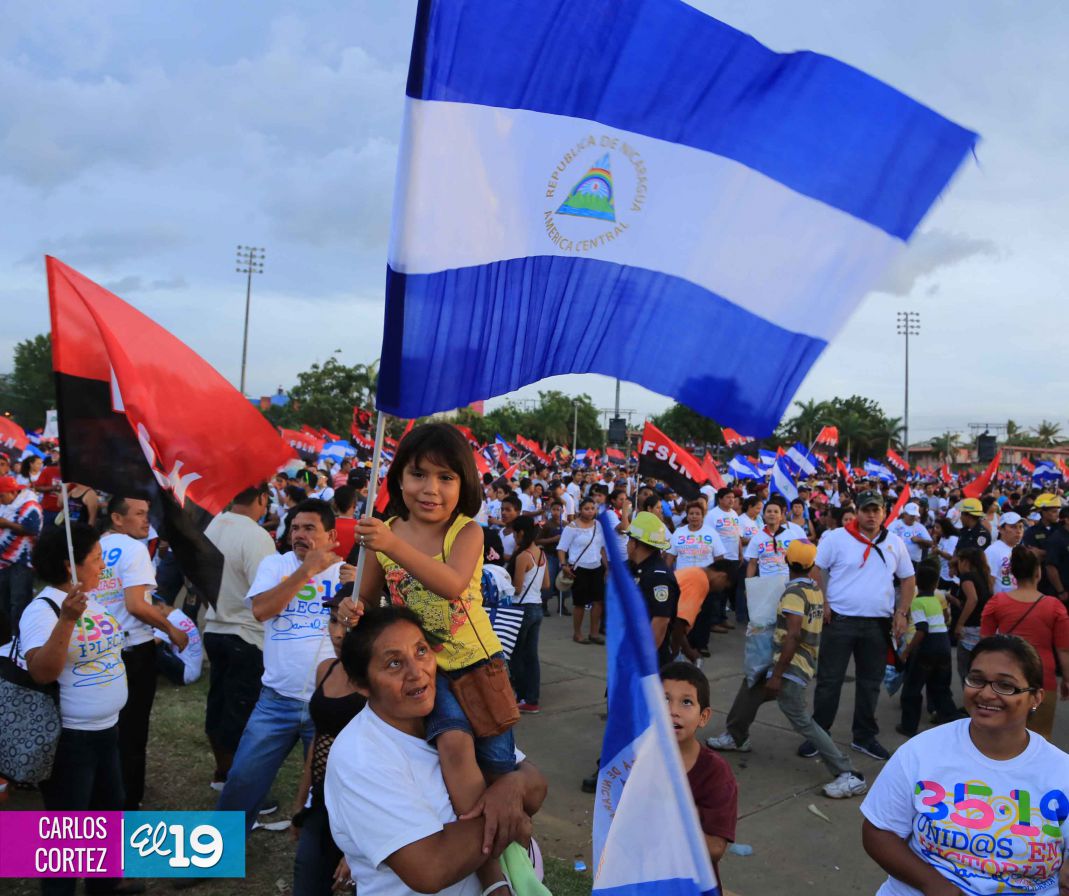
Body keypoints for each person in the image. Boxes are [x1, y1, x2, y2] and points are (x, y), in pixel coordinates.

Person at [349, 423, 518, 896]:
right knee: (454, 747)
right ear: (398, 478)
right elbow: (367, 602)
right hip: (427, 669)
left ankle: (513, 846)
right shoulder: (384, 536)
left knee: (499, 765)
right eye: (418, 474)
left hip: (480, 665)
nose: (431, 489)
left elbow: (451, 583)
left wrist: (391, 545)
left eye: (446, 477)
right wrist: (351, 609)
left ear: (464, 484)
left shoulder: (467, 531)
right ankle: (491, 871)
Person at [324, 606, 548, 896]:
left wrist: (512, 787)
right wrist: (512, 812)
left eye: (421, 651)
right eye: (394, 663)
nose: (417, 672)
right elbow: (430, 867)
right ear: (361, 684)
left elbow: (535, 784)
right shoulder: (360, 757)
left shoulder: (455, 712)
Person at [861, 635, 1069, 896]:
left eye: (1005, 685)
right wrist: (934, 885)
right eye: (977, 680)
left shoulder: (1061, 772)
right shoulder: (921, 752)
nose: (986, 693)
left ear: (1036, 698)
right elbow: (879, 831)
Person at [217, 498, 343, 830]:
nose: (299, 535)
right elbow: (262, 610)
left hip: (327, 703)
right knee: (243, 779)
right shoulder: (276, 565)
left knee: (327, 790)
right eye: (295, 528)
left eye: (309, 528)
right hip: (276, 700)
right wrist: (306, 571)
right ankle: (218, 849)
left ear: (331, 536)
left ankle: (319, 852)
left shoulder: (348, 575)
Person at [21, 525, 132, 896]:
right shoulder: (44, 610)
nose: (103, 566)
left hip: (107, 729)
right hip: (71, 739)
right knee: (68, 830)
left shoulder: (90, 599)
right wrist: (67, 620)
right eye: (97, 558)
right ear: (71, 565)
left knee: (108, 809)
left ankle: (105, 886)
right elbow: (42, 672)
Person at [708, 541, 867, 799]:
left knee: (801, 719)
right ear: (812, 565)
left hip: (791, 665)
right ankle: (736, 736)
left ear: (786, 560)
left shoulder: (793, 594)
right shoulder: (814, 591)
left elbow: (793, 635)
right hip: (795, 661)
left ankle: (848, 773)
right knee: (751, 688)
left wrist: (778, 674)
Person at [800, 490, 915, 762]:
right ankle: (819, 735)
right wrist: (823, 601)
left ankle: (864, 736)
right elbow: (815, 569)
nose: (871, 515)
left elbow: (908, 579)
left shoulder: (895, 542)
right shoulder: (836, 538)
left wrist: (902, 612)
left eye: (876, 510)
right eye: (866, 510)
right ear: (858, 512)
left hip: (877, 625)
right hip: (839, 621)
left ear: (884, 513)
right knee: (829, 681)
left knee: (870, 683)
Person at [94, 495, 188, 810]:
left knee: (104, 725)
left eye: (147, 513)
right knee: (133, 730)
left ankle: (103, 792)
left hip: (99, 647)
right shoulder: (134, 549)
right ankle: (127, 800)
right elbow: (135, 605)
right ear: (117, 518)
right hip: (132, 648)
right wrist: (170, 629)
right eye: (138, 514)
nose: (147, 520)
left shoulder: (94, 547)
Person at [202, 483, 278, 791]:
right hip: (245, 634)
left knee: (219, 706)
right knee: (241, 716)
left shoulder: (214, 525)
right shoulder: (256, 536)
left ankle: (222, 773)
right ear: (262, 498)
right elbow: (266, 595)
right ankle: (236, 784)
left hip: (215, 628)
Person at [290, 595, 365, 896]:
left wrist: (356, 850)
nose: (337, 633)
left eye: (347, 624)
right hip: (322, 803)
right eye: (333, 621)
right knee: (307, 882)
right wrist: (300, 804)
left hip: (362, 808)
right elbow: (318, 740)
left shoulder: (378, 682)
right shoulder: (326, 669)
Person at [980, 546, 1069, 739]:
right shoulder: (1055, 606)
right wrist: (1067, 679)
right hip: (1043, 677)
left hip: (1005, 676)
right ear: (1038, 572)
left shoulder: (997, 602)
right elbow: (1064, 650)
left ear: (1012, 573)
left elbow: (985, 644)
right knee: (1040, 738)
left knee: (1003, 736)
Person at [661, 662, 738, 879]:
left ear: (703, 717)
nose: (673, 711)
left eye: (686, 702)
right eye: (664, 700)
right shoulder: (638, 761)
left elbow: (715, 848)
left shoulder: (715, 773)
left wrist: (676, 819)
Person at [896, 560, 958, 736]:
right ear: (936, 583)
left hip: (928, 648)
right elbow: (943, 620)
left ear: (916, 581)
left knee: (912, 689)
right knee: (941, 687)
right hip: (944, 645)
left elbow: (922, 629)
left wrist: (906, 652)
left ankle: (908, 727)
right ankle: (952, 721)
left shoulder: (917, 602)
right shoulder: (935, 600)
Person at [626, 511, 679, 668]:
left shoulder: (658, 576)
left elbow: (660, 622)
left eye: (629, 540)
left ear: (635, 543)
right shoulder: (637, 569)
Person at [509, 516, 548, 713]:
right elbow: (546, 584)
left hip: (521, 608)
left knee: (516, 655)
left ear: (521, 533)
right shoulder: (541, 554)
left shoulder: (523, 556)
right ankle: (532, 699)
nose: (513, 536)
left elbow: (516, 588)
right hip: (536, 607)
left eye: (514, 533)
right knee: (531, 656)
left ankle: (521, 694)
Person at [558, 497, 608, 644]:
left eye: (593, 508)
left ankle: (594, 633)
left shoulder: (598, 525)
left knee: (598, 602)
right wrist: (564, 565)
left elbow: (602, 548)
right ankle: (577, 633)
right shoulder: (572, 527)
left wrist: (607, 567)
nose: (590, 511)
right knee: (580, 603)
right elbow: (561, 548)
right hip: (579, 569)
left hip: (597, 567)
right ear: (580, 510)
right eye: (587, 508)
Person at [0, 473, 43, 634]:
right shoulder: (5, 505)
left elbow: (32, 529)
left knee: (19, 602)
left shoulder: (30, 505)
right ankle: (8, 636)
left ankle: (20, 636)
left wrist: (6, 523)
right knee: (4, 602)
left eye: (1, 496)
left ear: (13, 492)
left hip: (22, 562)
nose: (0, 500)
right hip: (3, 561)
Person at [951, 547, 992, 682]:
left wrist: (959, 624)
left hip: (970, 627)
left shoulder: (967, 577)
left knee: (965, 669)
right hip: (983, 626)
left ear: (965, 562)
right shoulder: (984, 576)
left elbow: (972, 599)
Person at [984, 511, 1023, 594]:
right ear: (1001, 529)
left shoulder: (1019, 549)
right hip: (1001, 599)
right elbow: (989, 581)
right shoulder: (993, 551)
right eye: (1013, 527)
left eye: (1020, 527)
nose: (1018, 531)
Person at [887, 503, 931, 568]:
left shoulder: (920, 527)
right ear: (904, 514)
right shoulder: (894, 525)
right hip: (896, 561)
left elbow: (930, 543)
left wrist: (920, 540)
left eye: (914, 515)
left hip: (913, 563)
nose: (913, 517)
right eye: (911, 515)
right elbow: (886, 540)